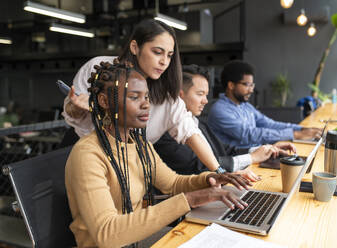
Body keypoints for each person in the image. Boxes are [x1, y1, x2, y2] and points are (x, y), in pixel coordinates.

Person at [65, 63, 252, 248]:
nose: (146, 104)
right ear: (105, 101)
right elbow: (107, 234)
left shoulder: (138, 144)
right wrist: (191, 199)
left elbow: (172, 183)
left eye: (146, 97)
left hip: (135, 241)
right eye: (134, 97)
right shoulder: (88, 154)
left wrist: (209, 179)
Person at [62, 19, 239, 174]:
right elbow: (73, 116)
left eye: (169, 55)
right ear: (134, 47)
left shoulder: (166, 97)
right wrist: (78, 106)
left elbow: (191, 134)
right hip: (80, 155)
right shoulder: (98, 68)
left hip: (124, 165)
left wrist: (219, 171)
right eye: (157, 52)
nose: (164, 62)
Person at [154, 64, 296, 176]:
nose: (205, 101)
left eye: (206, 95)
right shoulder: (166, 134)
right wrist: (251, 158)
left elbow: (226, 149)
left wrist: (264, 150)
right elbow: (199, 166)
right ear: (180, 96)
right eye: (200, 94)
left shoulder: (199, 123)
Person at [208, 60, 322, 148]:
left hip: (255, 156)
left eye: (252, 85)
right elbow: (250, 134)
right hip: (236, 165)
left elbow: (270, 124)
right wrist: (295, 134)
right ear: (231, 85)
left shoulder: (245, 106)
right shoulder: (219, 110)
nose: (251, 90)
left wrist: (302, 129)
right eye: (247, 84)